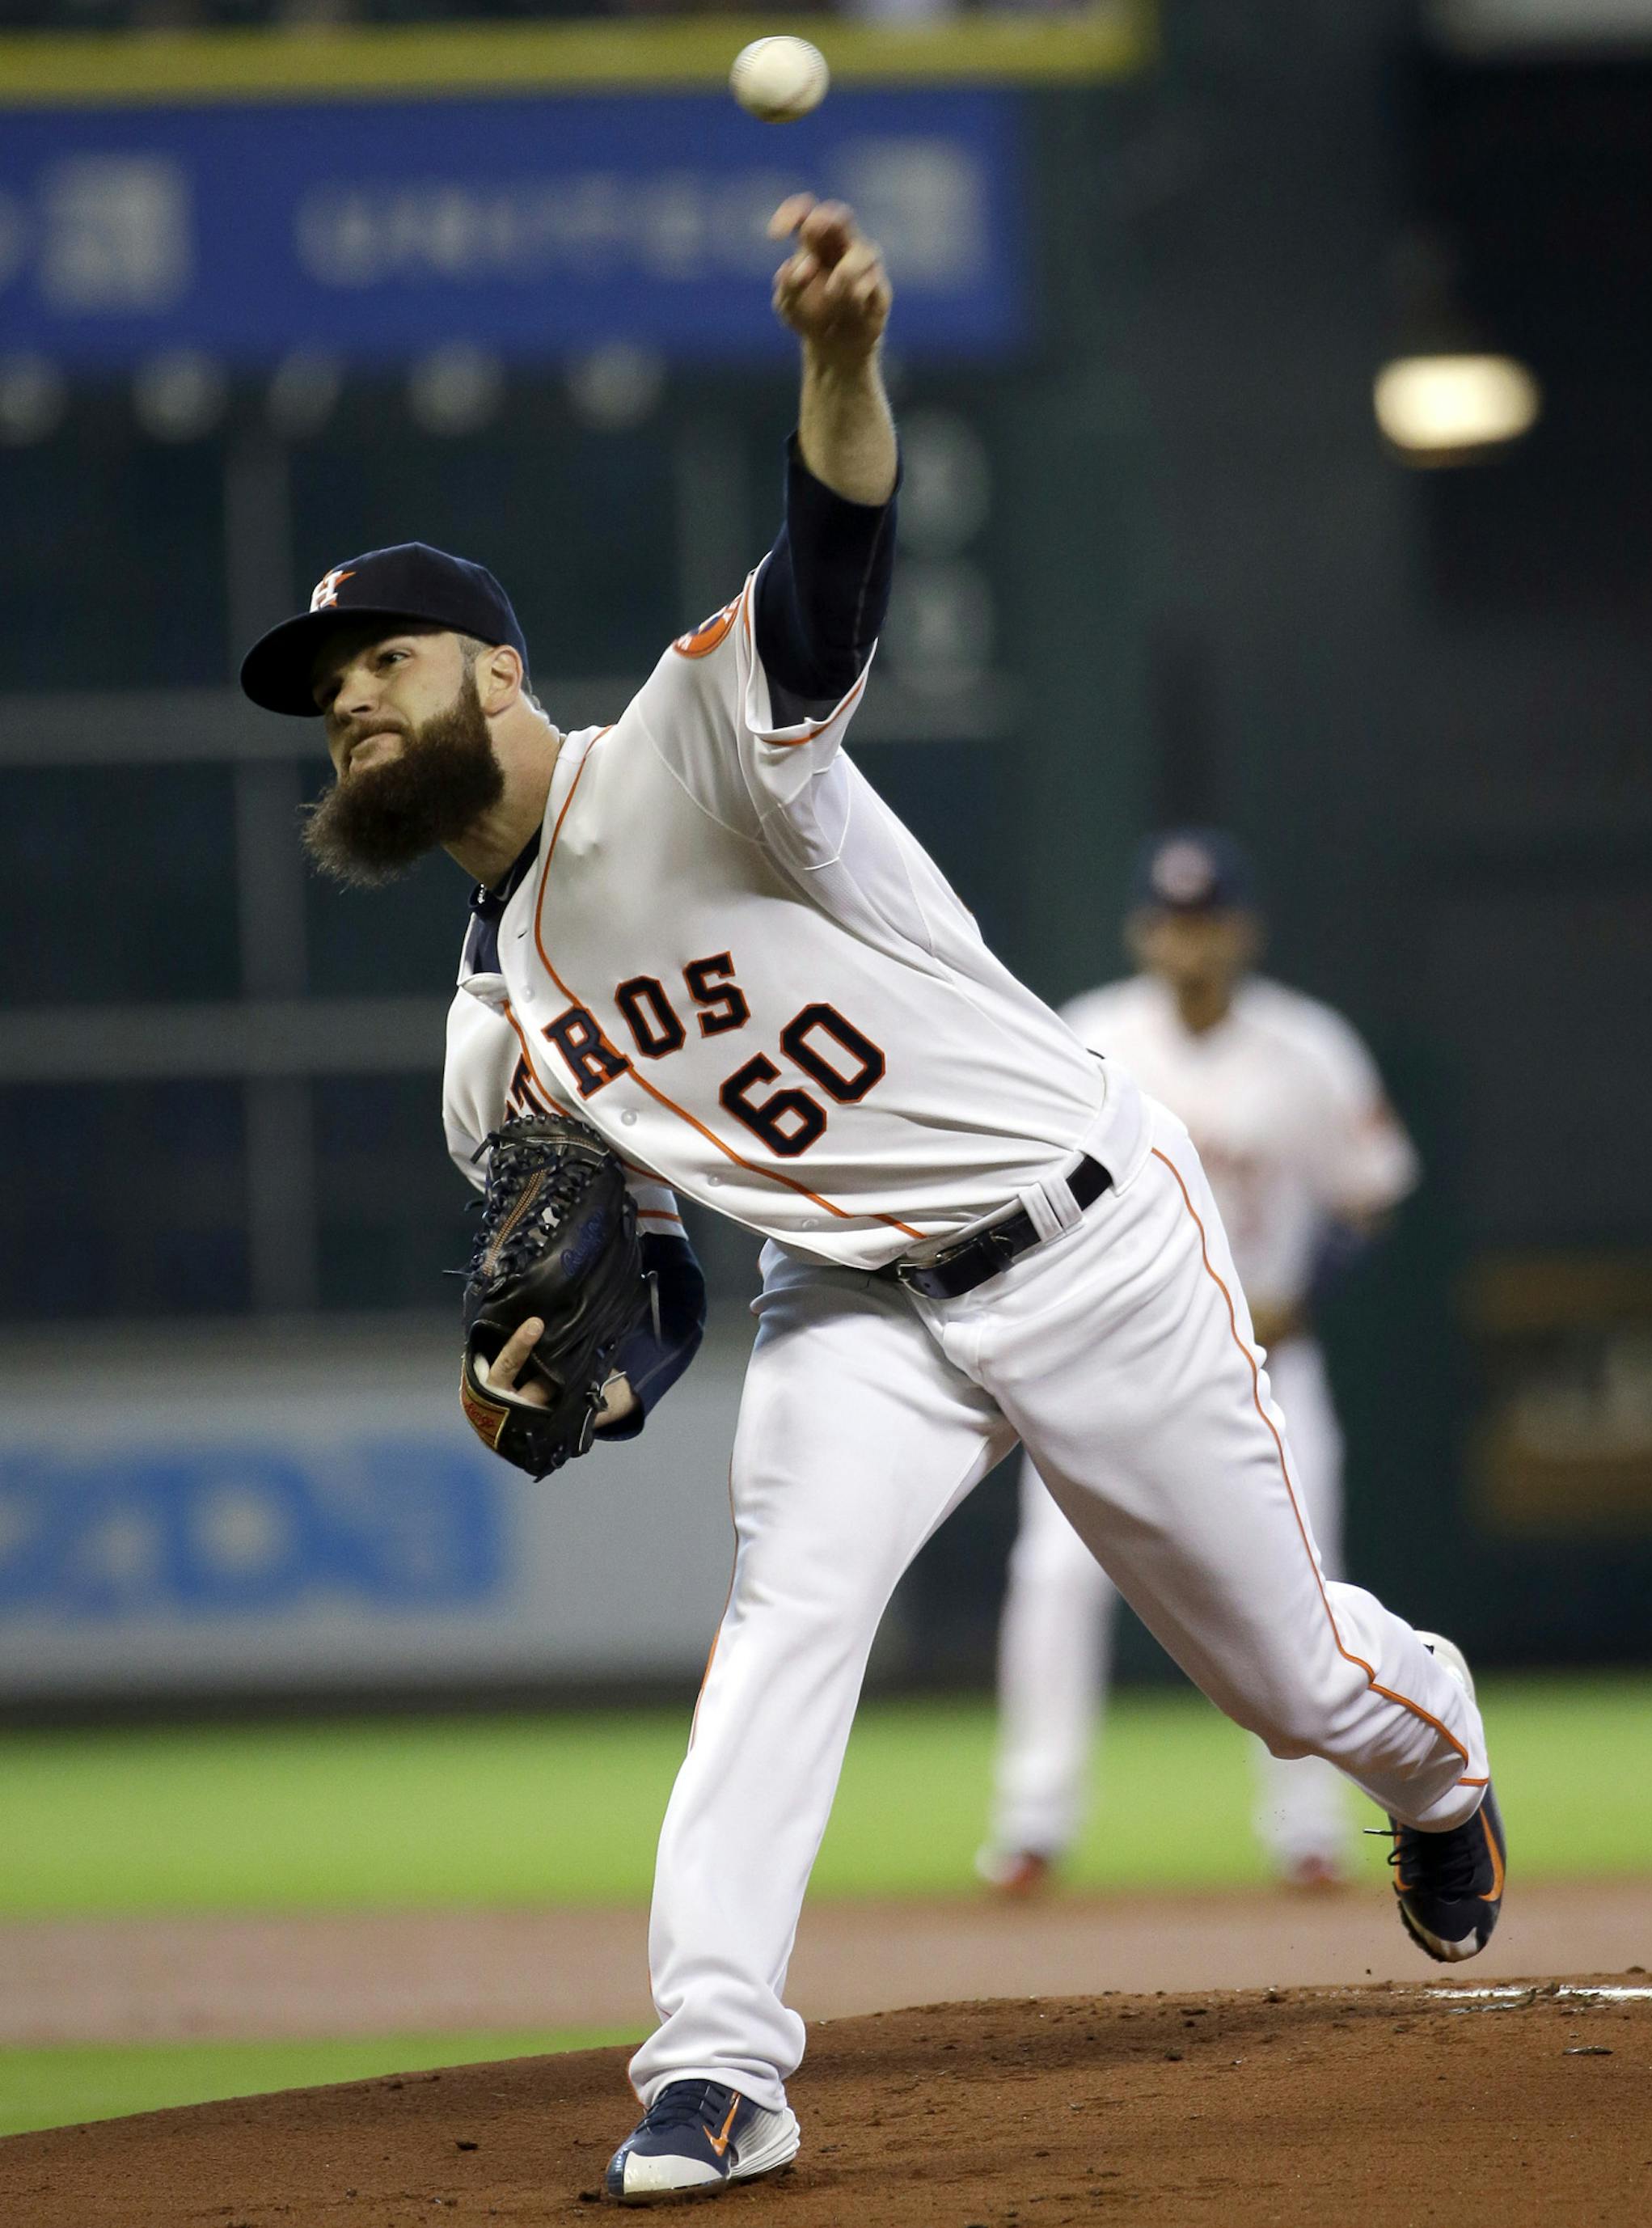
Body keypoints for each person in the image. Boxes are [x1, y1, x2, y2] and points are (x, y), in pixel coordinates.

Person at [239, 194, 1504, 2208]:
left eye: (383, 660)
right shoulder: (493, 1033)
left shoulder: (689, 749)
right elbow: (641, 1272)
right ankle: (718, 2066)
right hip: (853, 1307)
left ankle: (1432, 1755)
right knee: (783, 1621)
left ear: (497, 666)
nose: (352, 704)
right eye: (326, 693)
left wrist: (841, 361)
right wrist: (613, 1383)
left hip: (1086, 1230)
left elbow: (829, 568)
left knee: (1287, 1684)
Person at [979, 829, 1420, 1896]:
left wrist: (1306, 1291)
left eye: (1209, 919)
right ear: (1144, 931)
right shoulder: (1088, 1037)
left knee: (1305, 1587)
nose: (1192, 942)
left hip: (1268, 1369)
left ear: (1243, 929)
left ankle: (1308, 1826)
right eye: (1174, 921)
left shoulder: (1310, 1048)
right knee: (1056, 1577)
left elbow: (1372, 1192)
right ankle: (1034, 1821)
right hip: (1107, 1373)